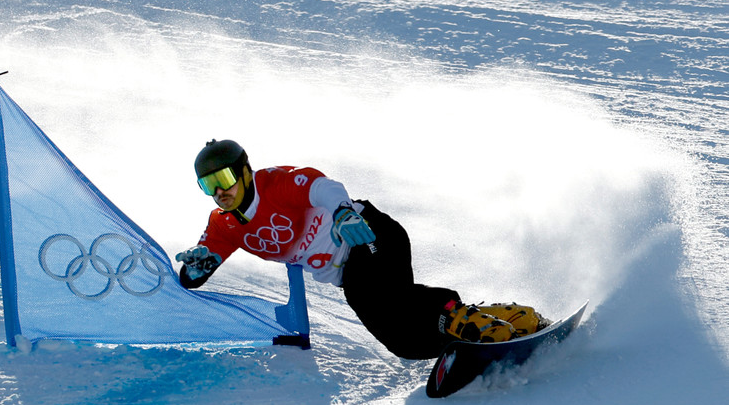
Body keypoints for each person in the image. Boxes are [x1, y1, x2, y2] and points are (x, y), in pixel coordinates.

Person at [177, 139, 547, 360]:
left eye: (224, 178)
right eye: (208, 184)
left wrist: (341, 213)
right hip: (350, 271)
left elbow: (322, 186)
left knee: (375, 295)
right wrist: (199, 265)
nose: (219, 191)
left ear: (243, 172)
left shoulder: (275, 183)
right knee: (402, 340)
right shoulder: (222, 225)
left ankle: (468, 321)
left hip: (369, 235)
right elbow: (196, 273)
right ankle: (500, 321)